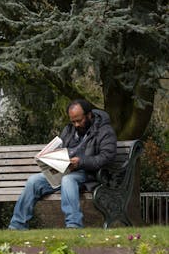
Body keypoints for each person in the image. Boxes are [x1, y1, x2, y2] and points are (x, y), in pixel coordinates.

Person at [8, 99, 117, 230]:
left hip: (89, 174)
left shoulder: (105, 131)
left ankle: (73, 225)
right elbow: (62, 149)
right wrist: (51, 158)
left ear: (89, 115)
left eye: (79, 120)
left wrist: (81, 162)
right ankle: (17, 225)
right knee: (33, 181)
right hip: (66, 170)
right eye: (73, 121)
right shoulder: (69, 130)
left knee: (68, 180)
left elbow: (107, 157)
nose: (76, 124)